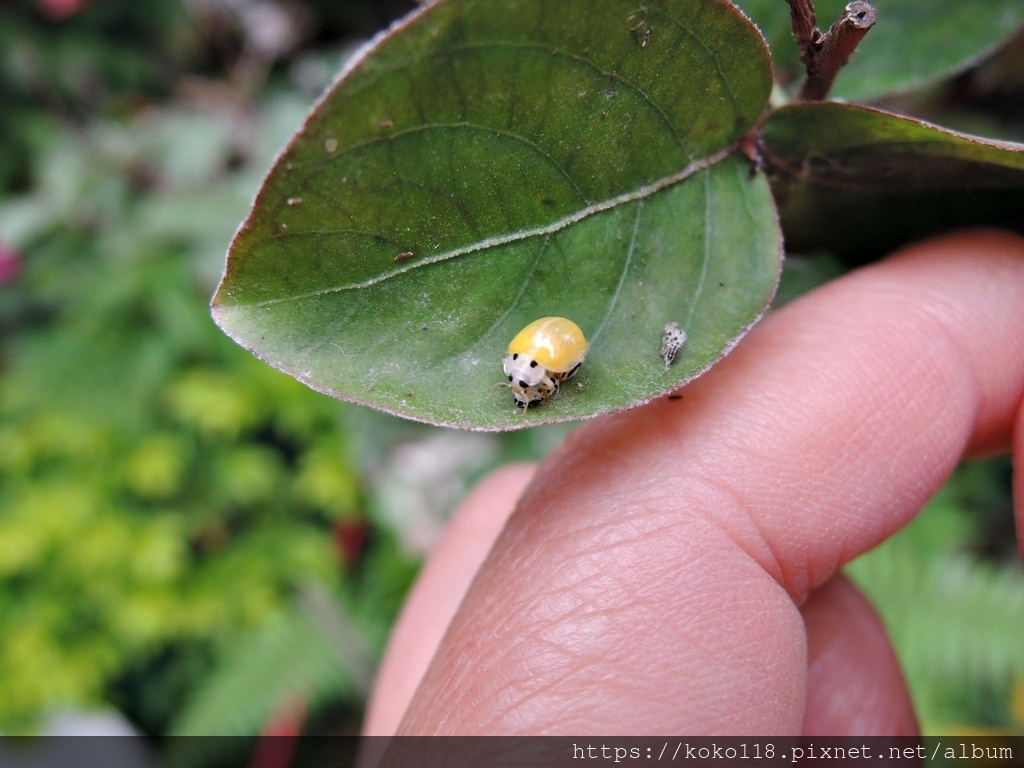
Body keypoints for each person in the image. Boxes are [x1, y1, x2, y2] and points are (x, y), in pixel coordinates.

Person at [363, 230, 1024, 736]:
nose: (527, 390)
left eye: (530, 385)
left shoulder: (547, 363)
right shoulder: (531, 366)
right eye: (528, 385)